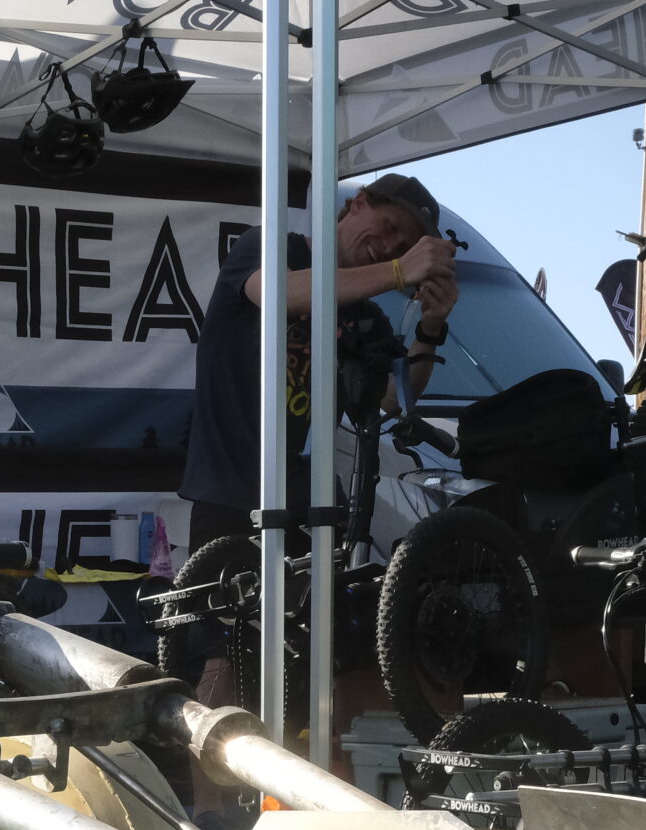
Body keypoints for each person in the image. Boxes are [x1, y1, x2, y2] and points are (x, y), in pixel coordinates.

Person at [180, 173, 460, 551]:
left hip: (314, 507)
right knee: (221, 610)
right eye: (390, 226)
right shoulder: (268, 246)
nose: (392, 246)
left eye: (405, 246)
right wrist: (397, 271)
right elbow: (279, 293)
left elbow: (392, 398)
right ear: (359, 202)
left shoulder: (367, 316)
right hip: (229, 498)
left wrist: (430, 327)